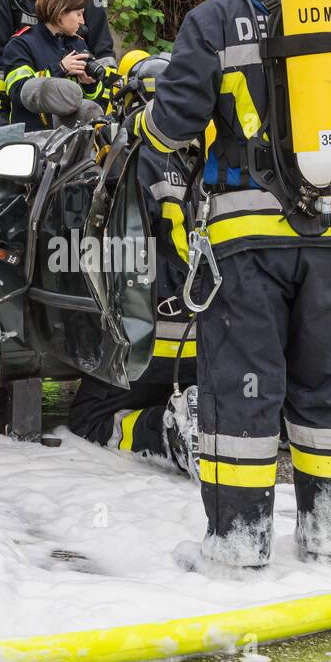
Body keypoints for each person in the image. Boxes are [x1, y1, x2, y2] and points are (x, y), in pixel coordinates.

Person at [133, 0, 331, 568]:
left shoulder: (215, 19)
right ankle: (328, 542)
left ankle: (238, 547)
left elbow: (173, 125)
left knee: (244, 385)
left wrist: (144, 126)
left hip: (245, 239)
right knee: (328, 385)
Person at [67, 52, 200, 473]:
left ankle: (167, 433)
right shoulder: (197, 157)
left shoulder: (135, 160)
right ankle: (197, 410)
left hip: (148, 341)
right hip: (200, 337)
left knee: (87, 418)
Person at [2, 0, 110, 131]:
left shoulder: (77, 43)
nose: (83, 22)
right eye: (78, 14)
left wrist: (90, 85)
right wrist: (60, 68)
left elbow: (91, 102)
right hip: (34, 142)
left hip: (72, 143)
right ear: (60, 13)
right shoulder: (21, 44)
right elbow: (18, 91)